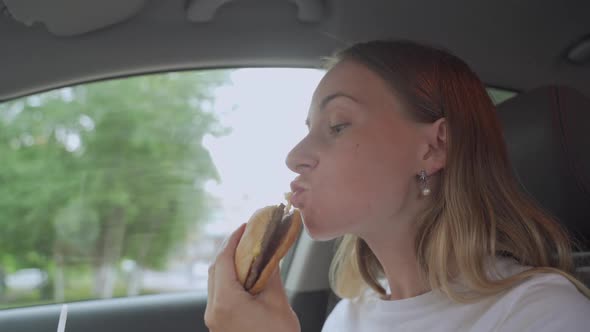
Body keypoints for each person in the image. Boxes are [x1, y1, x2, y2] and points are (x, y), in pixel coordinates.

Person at [204, 40, 590, 332]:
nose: (294, 156)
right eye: (308, 130)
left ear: (434, 146)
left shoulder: (541, 312)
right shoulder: (348, 318)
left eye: (337, 125)